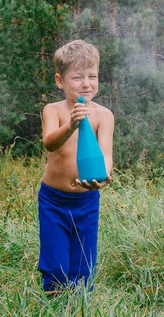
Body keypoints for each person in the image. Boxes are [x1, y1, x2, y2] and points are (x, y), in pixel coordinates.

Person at [38, 39, 114, 294]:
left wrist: (104, 176)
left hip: (86, 200)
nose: (86, 83)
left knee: (83, 262)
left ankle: (80, 305)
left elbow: (106, 154)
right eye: (77, 77)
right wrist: (70, 124)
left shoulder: (104, 115)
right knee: (55, 262)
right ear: (60, 81)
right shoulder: (54, 110)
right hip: (53, 200)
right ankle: (54, 302)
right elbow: (49, 142)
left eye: (92, 76)